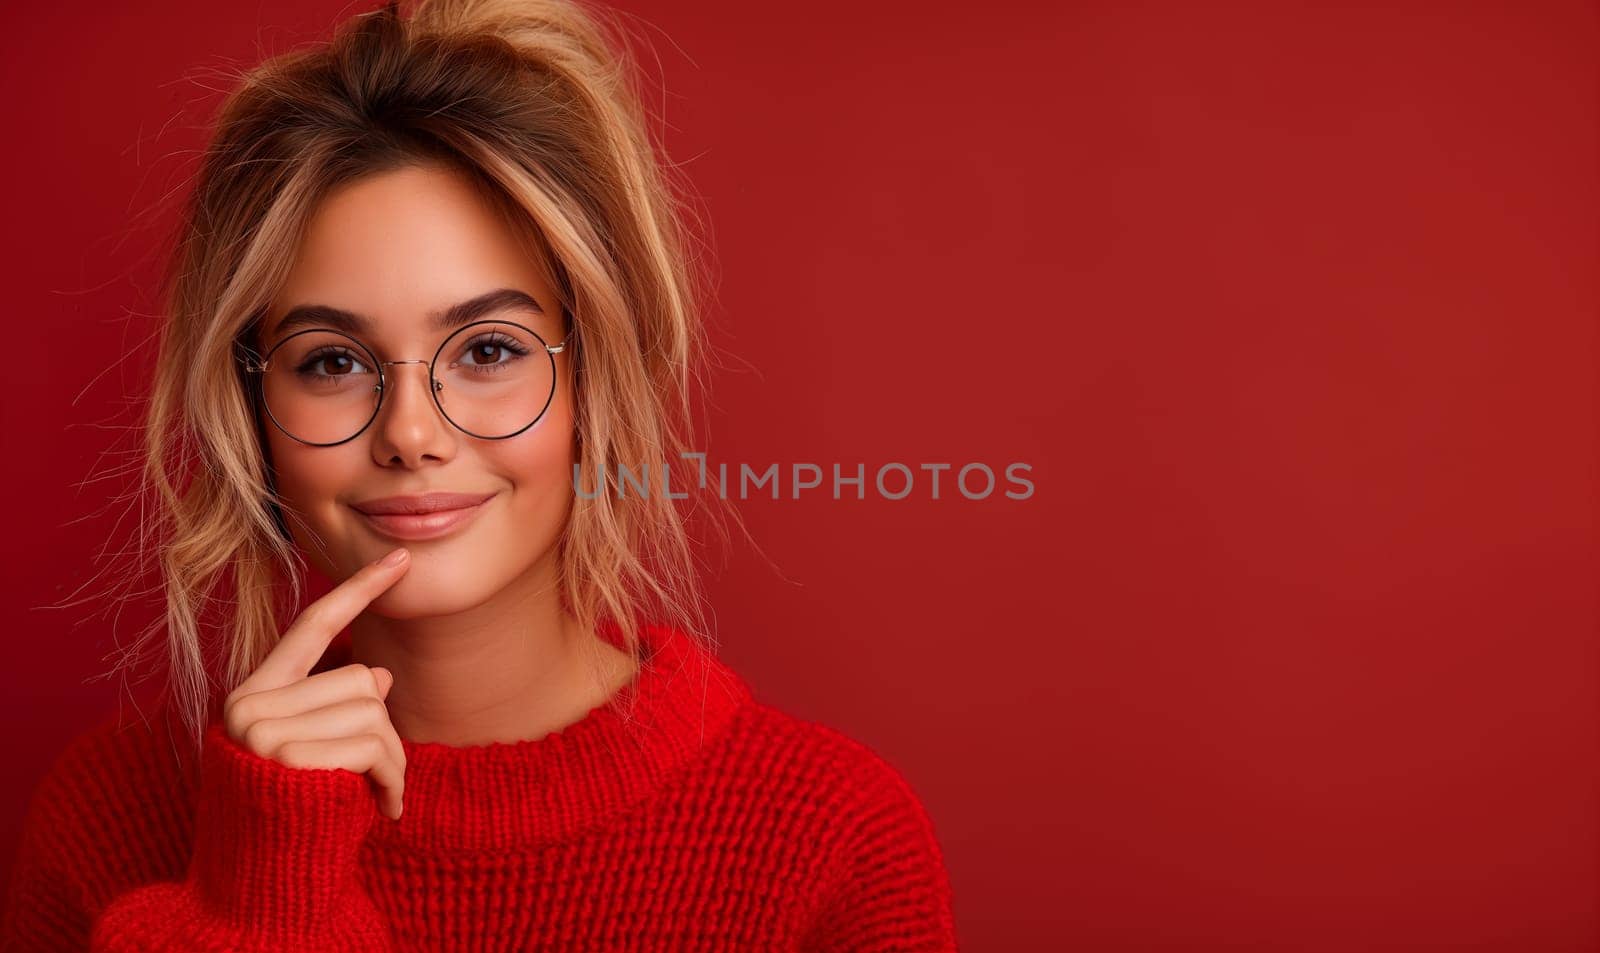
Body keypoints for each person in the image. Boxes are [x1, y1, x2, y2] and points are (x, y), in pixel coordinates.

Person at [0, 0, 959, 950]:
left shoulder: (832, 836)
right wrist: (255, 913)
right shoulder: (108, 818)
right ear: (251, 410)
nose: (411, 434)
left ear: (594, 376)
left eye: (489, 349)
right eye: (332, 361)